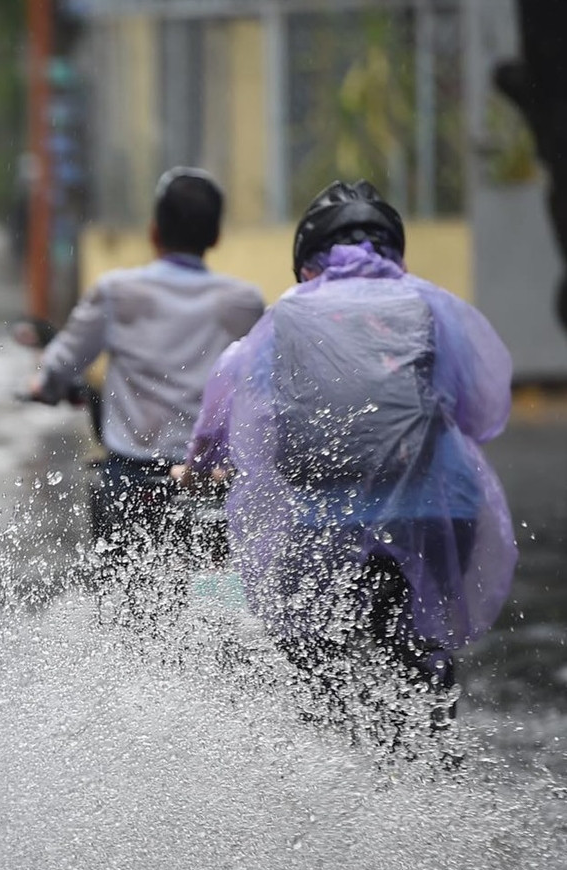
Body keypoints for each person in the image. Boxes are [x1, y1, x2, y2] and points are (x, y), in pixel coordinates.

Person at [178, 180, 516, 736]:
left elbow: (229, 404)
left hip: (320, 525)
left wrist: (198, 465)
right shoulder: (429, 303)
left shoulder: (285, 316)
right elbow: (482, 412)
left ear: (306, 261)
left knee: (309, 650)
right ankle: (434, 752)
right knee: (422, 652)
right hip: (436, 513)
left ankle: (333, 749)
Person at [28, 167, 264, 560]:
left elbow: (62, 363)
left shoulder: (117, 293)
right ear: (215, 237)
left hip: (133, 476)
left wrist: (45, 386)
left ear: (154, 231)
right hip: (210, 477)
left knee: (120, 597)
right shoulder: (244, 302)